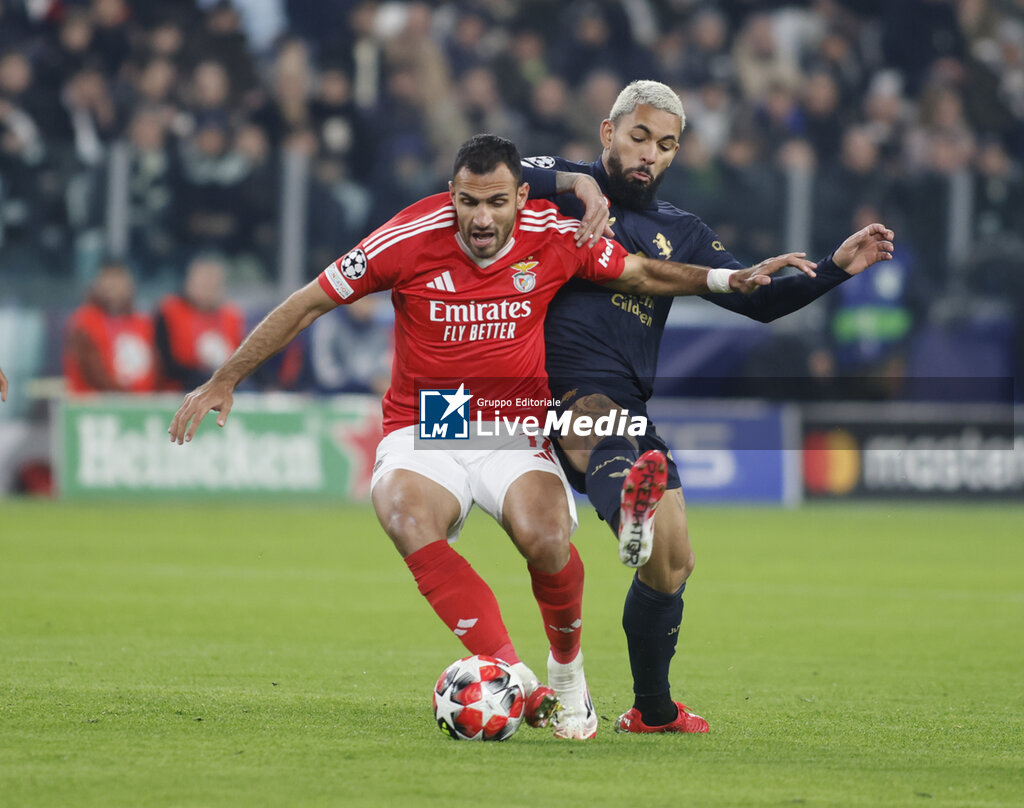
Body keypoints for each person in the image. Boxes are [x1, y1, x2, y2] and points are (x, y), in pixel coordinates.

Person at [168, 133, 820, 740]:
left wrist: (722, 280)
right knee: (402, 512)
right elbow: (309, 300)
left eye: (496, 203)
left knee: (546, 537)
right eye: (467, 203)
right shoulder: (406, 236)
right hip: (436, 415)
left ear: (520, 198)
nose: (481, 219)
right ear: (451, 195)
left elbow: (640, 274)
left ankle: (569, 676)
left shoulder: (553, 232)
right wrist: (226, 379)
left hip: (514, 416)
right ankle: (518, 676)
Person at [521, 80, 895, 734]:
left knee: (673, 563)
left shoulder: (681, 232)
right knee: (601, 427)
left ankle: (653, 711)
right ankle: (625, 515)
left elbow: (757, 298)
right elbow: (489, 173)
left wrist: (835, 267)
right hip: (556, 390)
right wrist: (578, 185)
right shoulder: (561, 190)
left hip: (631, 406)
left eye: (666, 145)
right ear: (609, 133)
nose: (651, 155)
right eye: (639, 137)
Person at [64, 262, 160, 394]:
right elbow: (93, 372)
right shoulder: (84, 320)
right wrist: (125, 396)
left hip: (143, 406)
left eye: (119, 280)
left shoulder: (144, 322)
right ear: (97, 285)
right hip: (97, 407)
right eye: (108, 281)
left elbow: (156, 367)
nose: (113, 287)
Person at [155, 255, 245, 390]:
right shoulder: (170, 312)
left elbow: (244, 359)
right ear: (188, 283)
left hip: (226, 387)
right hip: (181, 388)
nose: (207, 290)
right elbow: (166, 364)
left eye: (212, 285)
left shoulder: (231, 316)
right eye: (203, 284)